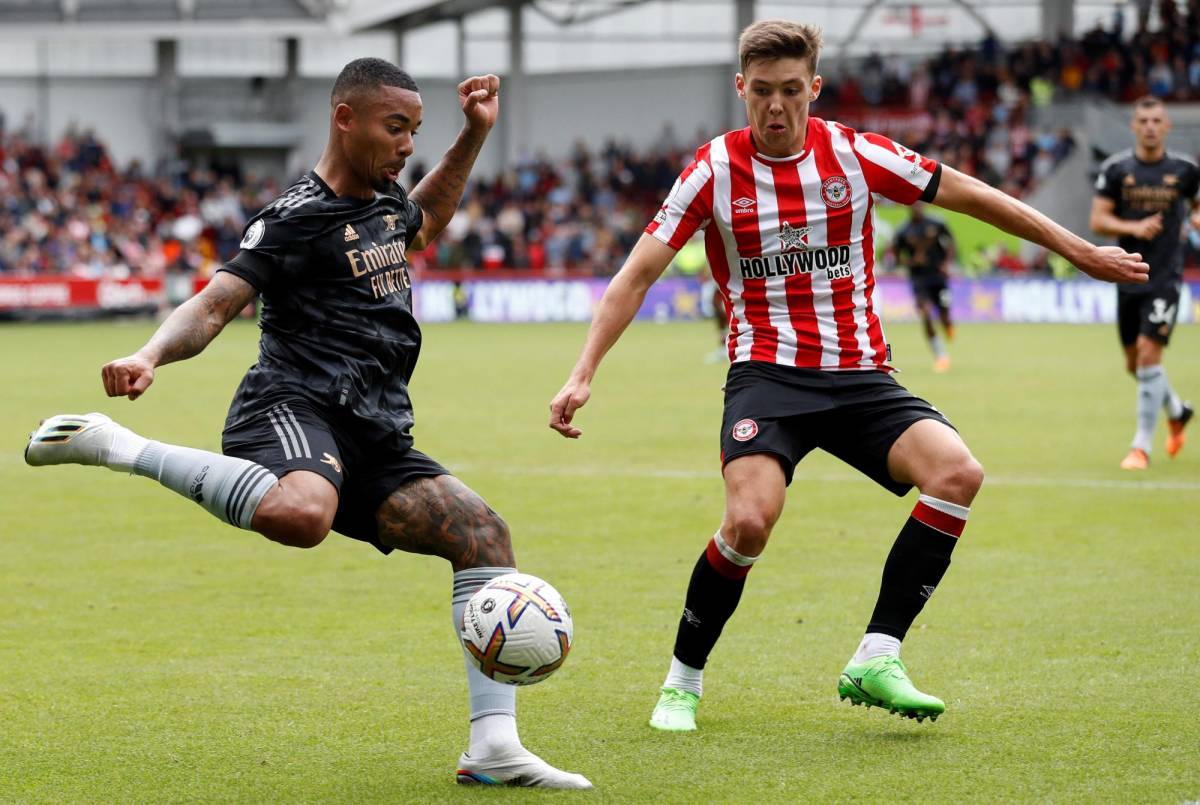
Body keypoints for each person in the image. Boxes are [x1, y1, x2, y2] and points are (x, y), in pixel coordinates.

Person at [548, 20, 1148, 732]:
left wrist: (1078, 250)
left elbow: (972, 194)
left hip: (860, 374)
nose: (776, 106)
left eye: (790, 90)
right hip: (767, 374)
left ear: (815, 88)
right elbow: (635, 274)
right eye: (762, 92)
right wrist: (582, 371)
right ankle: (682, 681)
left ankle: (877, 653)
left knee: (957, 473)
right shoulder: (712, 170)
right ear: (741, 89)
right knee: (748, 521)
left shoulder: (856, 154)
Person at [25, 58, 590, 789]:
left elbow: (427, 219)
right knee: (303, 513)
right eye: (396, 127)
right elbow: (215, 305)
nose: (407, 144)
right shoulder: (294, 216)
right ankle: (120, 446)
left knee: (482, 534)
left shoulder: (386, 200)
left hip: (373, 426)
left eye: (415, 130)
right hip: (290, 405)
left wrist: (473, 134)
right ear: (344, 119)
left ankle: (493, 749)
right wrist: (149, 354)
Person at [1089, 95, 1195, 470]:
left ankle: (1141, 448)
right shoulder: (1116, 170)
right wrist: (1134, 227)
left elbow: (1197, 208)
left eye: (1156, 121)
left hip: (1165, 277)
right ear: (1134, 126)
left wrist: (1194, 220)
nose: (1150, 127)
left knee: (1150, 354)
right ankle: (1177, 410)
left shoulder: (1186, 170)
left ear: (1167, 126)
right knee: (1135, 364)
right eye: (1144, 121)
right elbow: (1098, 220)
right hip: (1127, 275)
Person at [892, 203, 956, 372]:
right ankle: (941, 356)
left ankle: (948, 326)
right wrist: (912, 262)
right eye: (913, 204)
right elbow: (896, 259)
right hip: (919, 279)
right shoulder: (903, 231)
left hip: (938, 277)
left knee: (944, 315)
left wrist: (946, 264)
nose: (916, 207)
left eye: (919, 204)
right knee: (926, 314)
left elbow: (951, 243)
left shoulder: (937, 223)